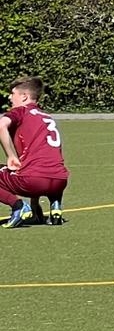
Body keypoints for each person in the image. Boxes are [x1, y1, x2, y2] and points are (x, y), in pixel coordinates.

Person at [0, 76, 68, 227]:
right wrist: (35, 204)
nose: (10, 97)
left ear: (24, 97)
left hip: (34, 180)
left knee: (26, 171)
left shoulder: (21, 112)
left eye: (13, 93)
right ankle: (54, 206)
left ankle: (18, 206)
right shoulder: (46, 116)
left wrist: (10, 155)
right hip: (59, 182)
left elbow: (1, 125)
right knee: (42, 167)